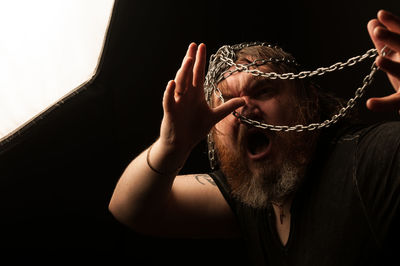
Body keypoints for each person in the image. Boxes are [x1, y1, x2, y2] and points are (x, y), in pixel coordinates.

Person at [108, 10, 400, 266]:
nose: (244, 108)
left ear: (306, 100)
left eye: (263, 91)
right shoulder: (253, 197)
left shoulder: (368, 161)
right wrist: (172, 145)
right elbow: (131, 208)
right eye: (227, 103)